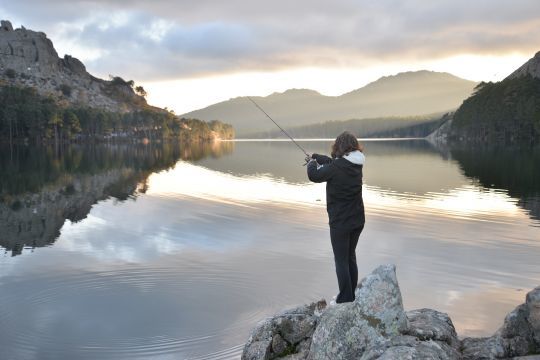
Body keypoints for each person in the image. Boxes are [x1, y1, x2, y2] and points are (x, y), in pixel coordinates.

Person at [306, 131, 365, 304]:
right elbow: (335, 164)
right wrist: (317, 157)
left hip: (340, 223)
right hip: (357, 220)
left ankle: (345, 299)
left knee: (341, 261)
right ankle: (351, 295)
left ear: (339, 147)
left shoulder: (337, 167)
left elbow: (314, 175)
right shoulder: (356, 163)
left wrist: (311, 163)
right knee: (350, 257)